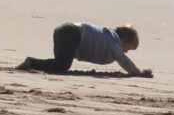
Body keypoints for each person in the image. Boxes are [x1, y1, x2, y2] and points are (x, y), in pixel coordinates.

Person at [18, 22, 151, 77]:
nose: (126, 51)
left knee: (60, 64)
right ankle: (31, 62)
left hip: (65, 30)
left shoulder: (110, 36)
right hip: (70, 33)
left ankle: (32, 63)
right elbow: (124, 61)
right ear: (124, 40)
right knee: (62, 66)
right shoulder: (114, 42)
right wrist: (138, 72)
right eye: (128, 48)